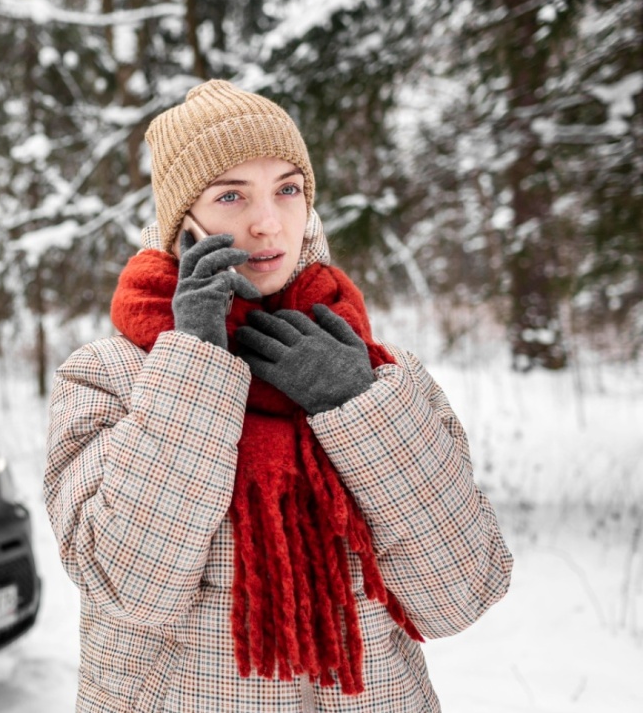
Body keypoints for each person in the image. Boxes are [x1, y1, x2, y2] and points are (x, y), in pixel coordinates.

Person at [44, 80, 513, 712]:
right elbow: (132, 587)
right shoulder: (107, 376)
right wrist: (196, 364)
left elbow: (462, 593)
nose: (267, 223)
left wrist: (357, 408)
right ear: (183, 224)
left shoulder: (382, 374)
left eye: (288, 189)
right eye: (231, 195)